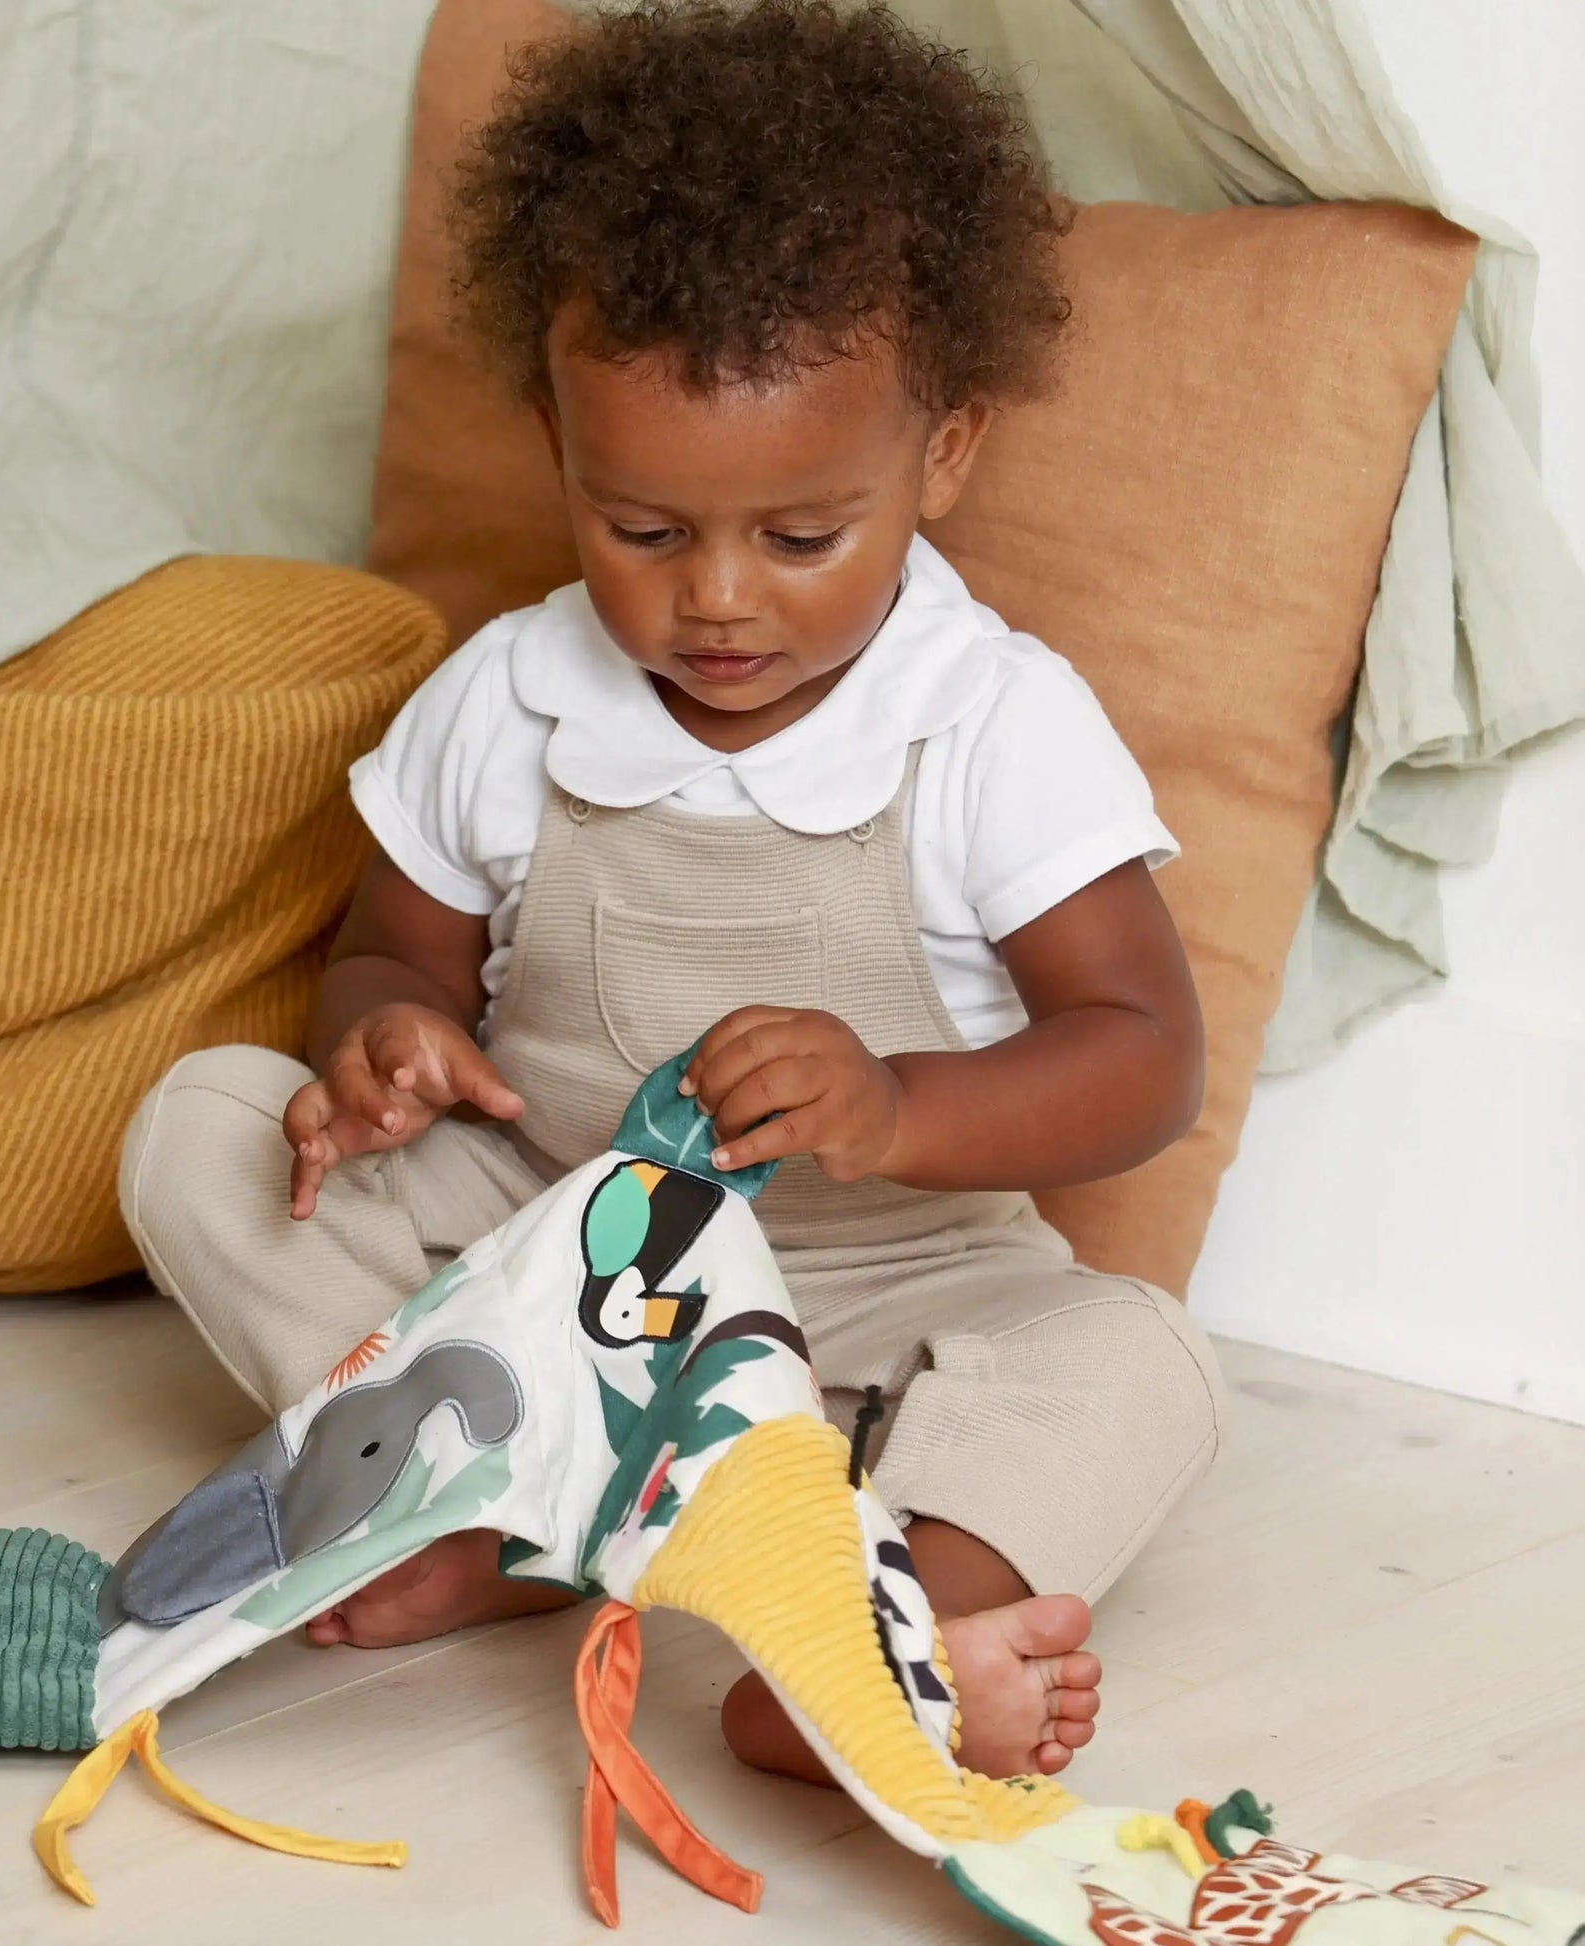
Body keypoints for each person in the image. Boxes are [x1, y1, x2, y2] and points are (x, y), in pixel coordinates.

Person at [120, 0, 1223, 1785]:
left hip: (879, 1295)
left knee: (1135, 1354)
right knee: (210, 1127)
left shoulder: (986, 722)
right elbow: (390, 951)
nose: (715, 597)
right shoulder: (508, 694)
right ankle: (480, 1504)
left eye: (800, 536)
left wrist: (897, 1105)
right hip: (552, 1264)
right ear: (557, 444)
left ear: (942, 453)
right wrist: (383, 1044)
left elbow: (1142, 1053)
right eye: (641, 529)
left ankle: (863, 1631)